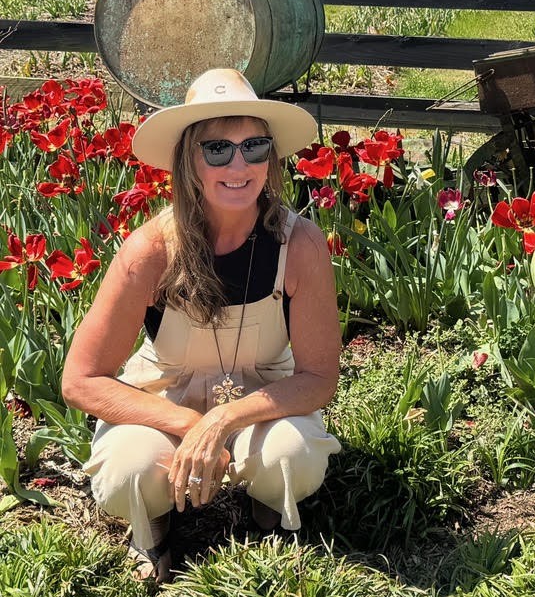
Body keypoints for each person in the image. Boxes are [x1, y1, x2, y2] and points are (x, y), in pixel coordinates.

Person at [61, 68, 342, 583]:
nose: (239, 165)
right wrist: (190, 424)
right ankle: (156, 521)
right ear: (188, 159)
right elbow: (81, 379)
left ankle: (268, 508)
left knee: (293, 456)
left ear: (271, 159)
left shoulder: (298, 246)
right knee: (130, 469)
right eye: (218, 150)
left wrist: (223, 420)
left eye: (255, 147)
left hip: (262, 404)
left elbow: (320, 377)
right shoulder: (150, 251)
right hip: (166, 401)